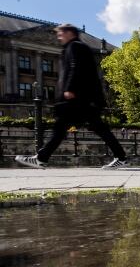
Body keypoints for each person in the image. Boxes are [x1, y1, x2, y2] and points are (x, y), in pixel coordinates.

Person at [15, 24, 127, 169]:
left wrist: (69, 89)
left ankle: (41, 158)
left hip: (80, 99)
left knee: (62, 128)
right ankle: (121, 157)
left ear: (69, 33)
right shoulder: (75, 47)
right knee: (95, 128)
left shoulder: (75, 46)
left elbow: (76, 68)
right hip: (85, 99)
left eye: (60, 33)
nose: (58, 36)